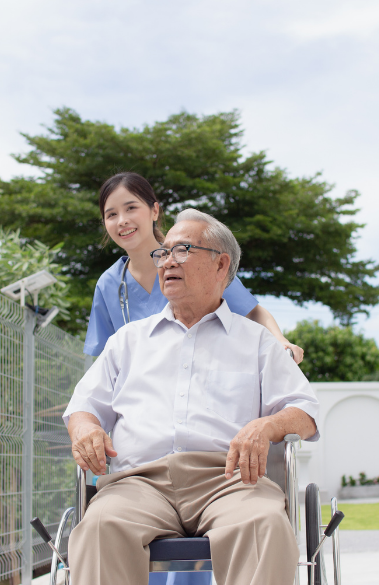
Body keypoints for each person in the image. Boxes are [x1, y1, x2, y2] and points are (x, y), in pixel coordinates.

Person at [64, 209, 320, 585]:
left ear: (221, 265)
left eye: (182, 250)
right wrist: (85, 428)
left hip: (230, 481)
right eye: (163, 252)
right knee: (100, 527)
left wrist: (267, 426)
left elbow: (305, 412)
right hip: (138, 483)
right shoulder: (128, 341)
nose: (167, 261)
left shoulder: (257, 342)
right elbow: (83, 407)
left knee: (264, 524)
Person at [83, 172, 304, 363]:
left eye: (131, 208)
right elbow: (103, 358)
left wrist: (281, 342)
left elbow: (252, 311)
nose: (122, 220)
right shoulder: (108, 285)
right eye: (111, 214)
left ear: (154, 211)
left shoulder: (196, 258)